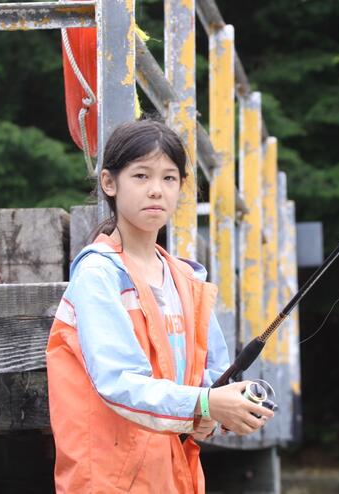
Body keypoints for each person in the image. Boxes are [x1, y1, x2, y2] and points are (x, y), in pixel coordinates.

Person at [46, 119, 273, 493]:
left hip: (175, 475)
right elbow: (118, 382)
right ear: (109, 183)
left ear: (182, 188)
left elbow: (209, 376)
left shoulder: (188, 280)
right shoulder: (99, 274)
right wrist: (205, 403)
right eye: (141, 176)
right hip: (110, 480)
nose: (156, 190)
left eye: (169, 179)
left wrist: (221, 411)